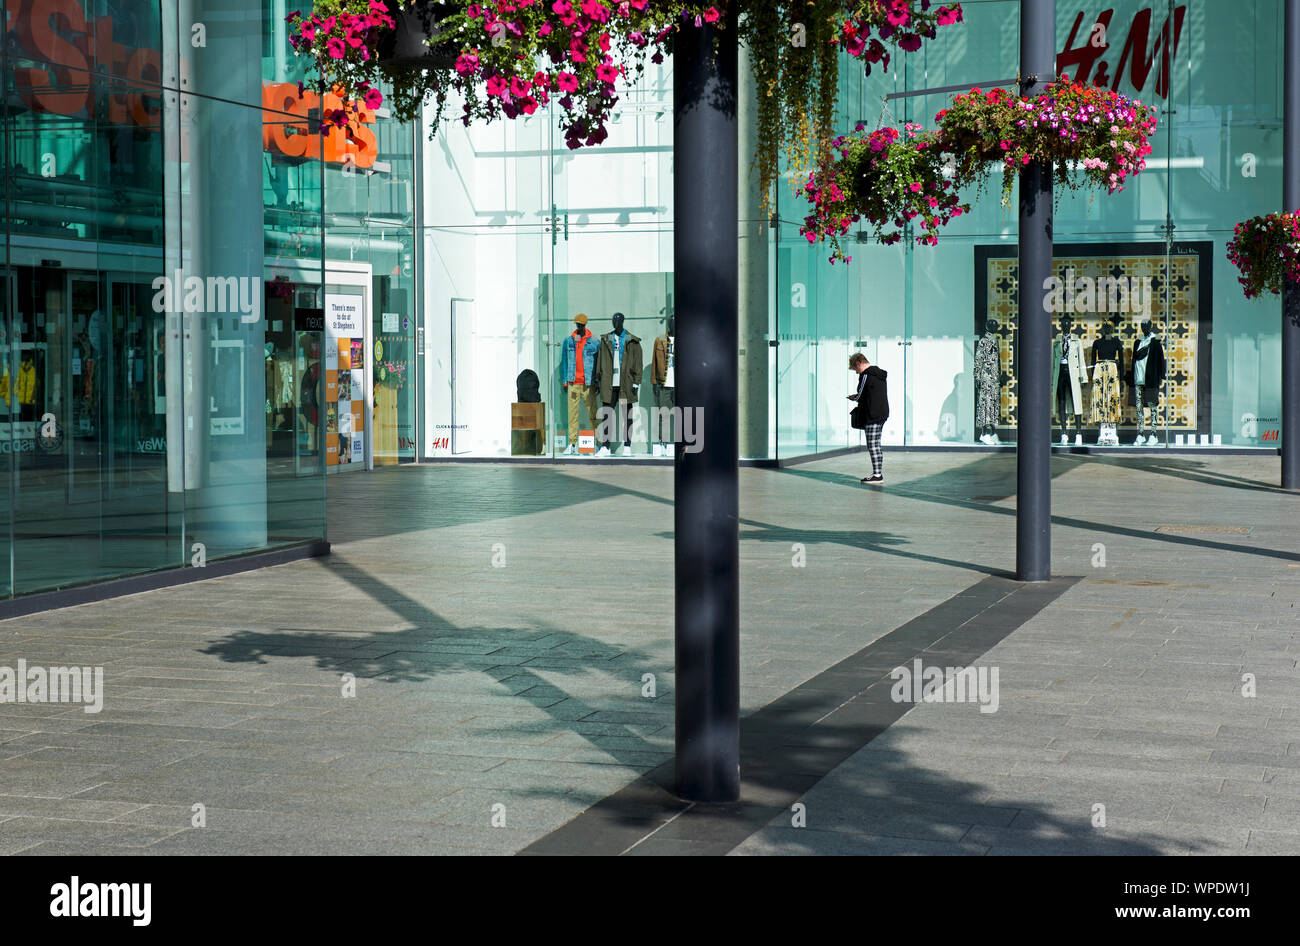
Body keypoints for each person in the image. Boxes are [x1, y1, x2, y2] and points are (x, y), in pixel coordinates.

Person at [848, 352, 889, 484]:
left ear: (859, 363)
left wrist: (854, 397)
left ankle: (877, 474)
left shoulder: (866, 375)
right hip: (881, 412)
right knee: (876, 444)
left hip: (872, 414)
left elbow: (861, 394)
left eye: (855, 368)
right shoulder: (879, 374)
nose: (856, 372)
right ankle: (877, 473)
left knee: (872, 445)